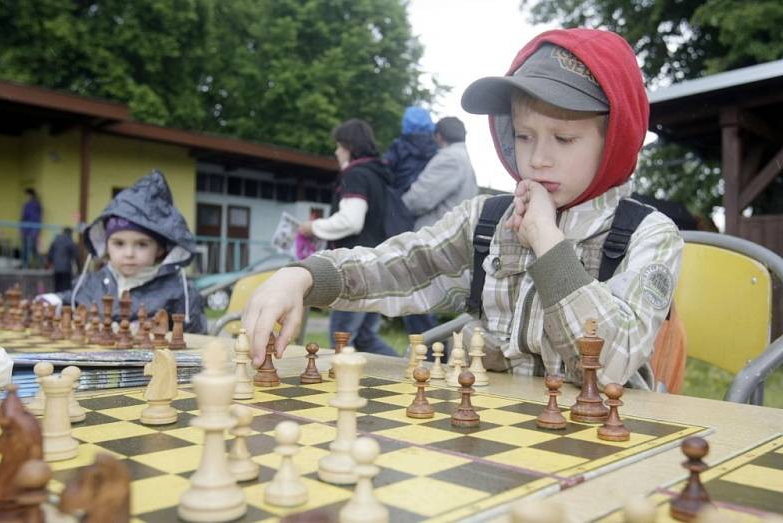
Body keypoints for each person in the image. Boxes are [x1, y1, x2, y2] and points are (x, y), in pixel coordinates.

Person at [242, 28, 682, 390]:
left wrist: (547, 239)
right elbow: (403, 266)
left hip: (606, 449)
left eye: (563, 139)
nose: (537, 158)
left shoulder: (650, 236)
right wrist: (305, 275)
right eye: (524, 135)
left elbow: (612, 361)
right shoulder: (487, 222)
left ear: (617, 140)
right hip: (491, 435)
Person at [39, 170, 206, 333]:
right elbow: (73, 299)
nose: (129, 253)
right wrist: (54, 300)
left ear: (160, 249)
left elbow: (198, 343)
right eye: (119, 243)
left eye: (141, 244)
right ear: (106, 244)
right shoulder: (92, 282)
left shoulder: (180, 292)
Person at [297, 119, 398, 357]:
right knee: (364, 338)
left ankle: (342, 391)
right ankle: (410, 370)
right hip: (378, 265)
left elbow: (352, 221)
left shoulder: (355, 175)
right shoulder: (378, 176)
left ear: (349, 147)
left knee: (341, 337)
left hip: (356, 268)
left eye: (339, 146)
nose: (336, 151)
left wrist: (314, 227)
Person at [399, 116, 479, 340]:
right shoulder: (464, 158)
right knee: (421, 309)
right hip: (448, 240)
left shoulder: (449, 158)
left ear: (438, 136)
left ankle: (430, 362)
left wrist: (399, 202)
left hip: (433, 240)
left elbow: (418, 198)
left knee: (417, 307)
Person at [383, 106, 438, 195]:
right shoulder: (436, 149)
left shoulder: (398, 146)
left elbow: (384, 170)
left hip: (398, 198)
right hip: (425, 199)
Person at [46, 227, 80, 292]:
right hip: (66, 269)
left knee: (57, 287)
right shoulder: (70, 241)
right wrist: (79, 269)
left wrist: (48, 264)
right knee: (66, 289)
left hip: (57, 268)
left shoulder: (56, 240)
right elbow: (76, 256)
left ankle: (57, 300)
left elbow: (50, 253)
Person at [20, 188, 42, 268]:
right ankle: (36, 266)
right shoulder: (35, 205)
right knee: (30, 249)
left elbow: (25, 217)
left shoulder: (32, 205)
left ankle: (28, 266)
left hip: (30, 231)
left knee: (29, 249)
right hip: (29, 230)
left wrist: (36, 231)